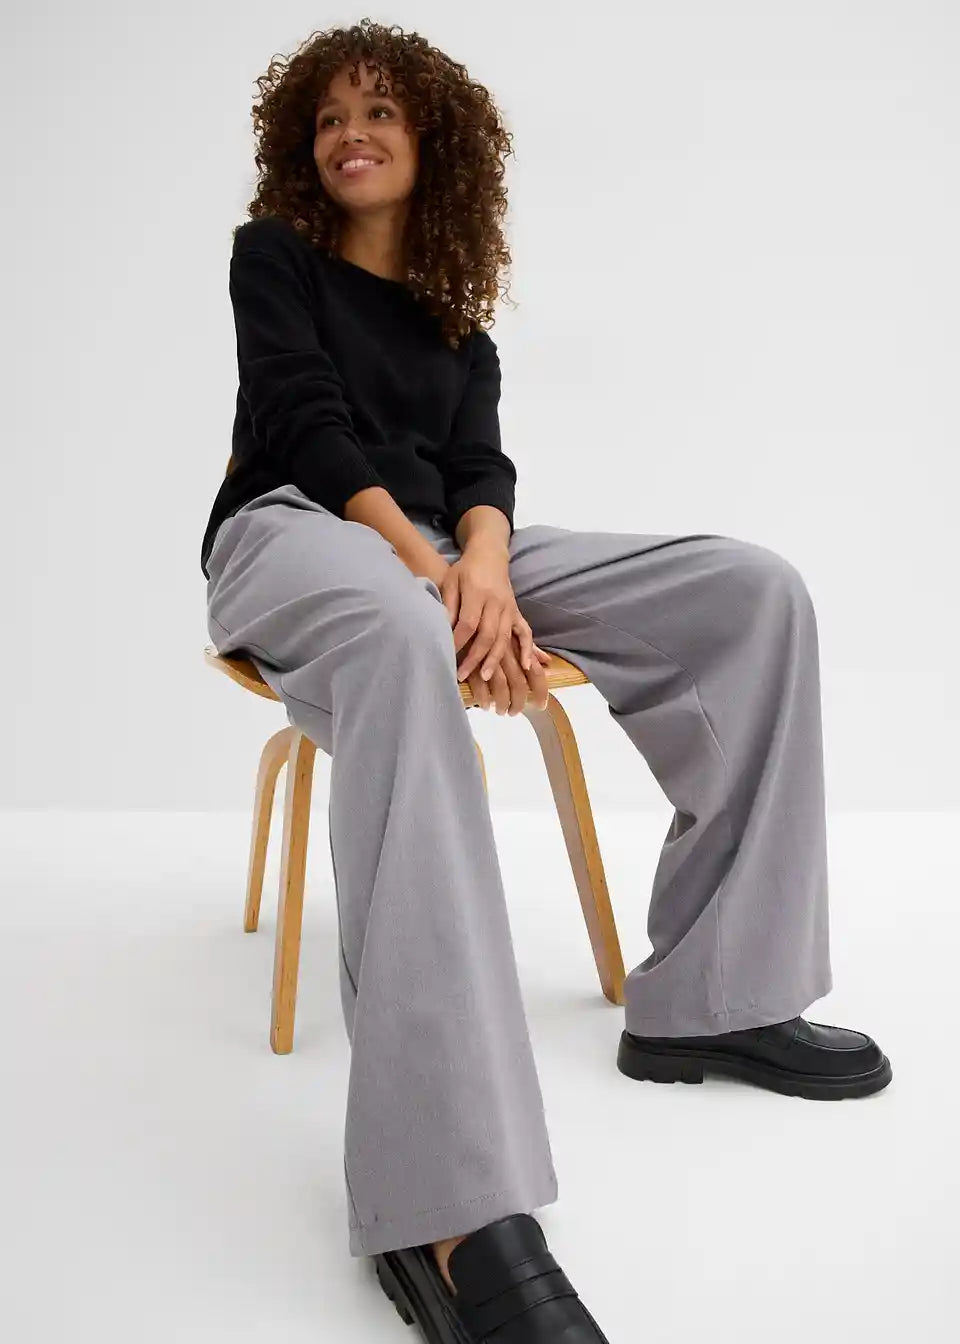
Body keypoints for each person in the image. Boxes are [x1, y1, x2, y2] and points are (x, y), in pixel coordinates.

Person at [202, 19, 892, 1342]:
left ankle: (718, 999)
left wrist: (486, 568)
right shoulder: (273, 256)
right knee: (402, 635)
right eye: (330, 117)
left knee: (750, 592)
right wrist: (431, 575)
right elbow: (302, 420)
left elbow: (481, 471)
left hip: (443, 549)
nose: (350, 133)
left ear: (433, 144)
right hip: (293, 532)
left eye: (380, 113)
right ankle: (445, 1205)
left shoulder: (457, 322)